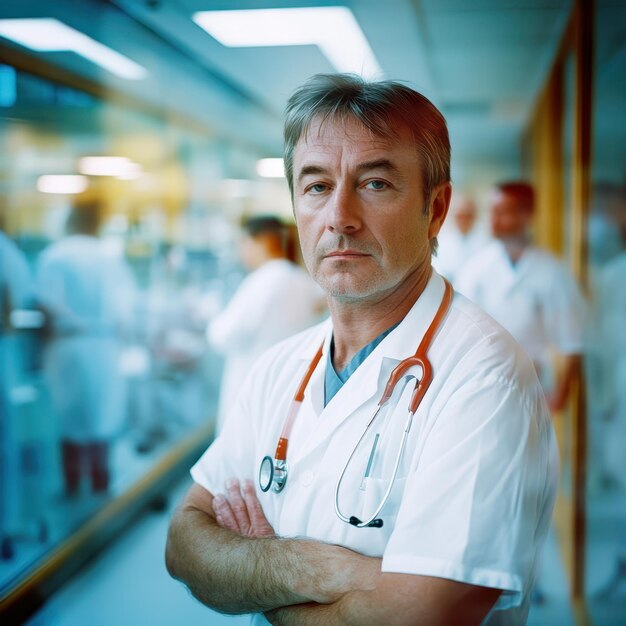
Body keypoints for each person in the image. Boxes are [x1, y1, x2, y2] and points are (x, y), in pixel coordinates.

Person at [166, 73, 558, 626]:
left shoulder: (485, 377)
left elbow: (421, 616)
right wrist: (309, 570)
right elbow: (184, 543)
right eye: (317, 186)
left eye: (375, 184)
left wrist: (254, 574)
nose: (340, 218)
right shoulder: (280, 367)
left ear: (436, 209)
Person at [456, 182, 586, 414]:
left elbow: (571, 341)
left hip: (533, 388)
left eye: (503, 212)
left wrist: (560, 397)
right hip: (480, 384)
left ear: (526, 215)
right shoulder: (476, 269)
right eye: (492, 212)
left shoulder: (552, 272)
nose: (493, 221)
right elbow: (458, 330)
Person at [37, 197, 136, 496]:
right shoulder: (108, 257)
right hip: (103, 345)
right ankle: (100, 481)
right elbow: (126, 307)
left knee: (68, 416)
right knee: (102, 415)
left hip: (67, 345)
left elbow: (45, 303)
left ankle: (72, 484)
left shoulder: (55, 254)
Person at [207, 215, 325, 433]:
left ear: (261, 241)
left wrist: (211, 316)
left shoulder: (264, 281)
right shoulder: (300, 279)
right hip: (286, 389)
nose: (242, 251)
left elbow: (223, 335)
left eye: (243, 243)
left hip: (252, 389)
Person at [432, 192, 488, 284]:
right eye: (460, 216)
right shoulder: (444, 241)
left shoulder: (486, 242)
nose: (463, 220)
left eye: (467, 216)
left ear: (475, 216)